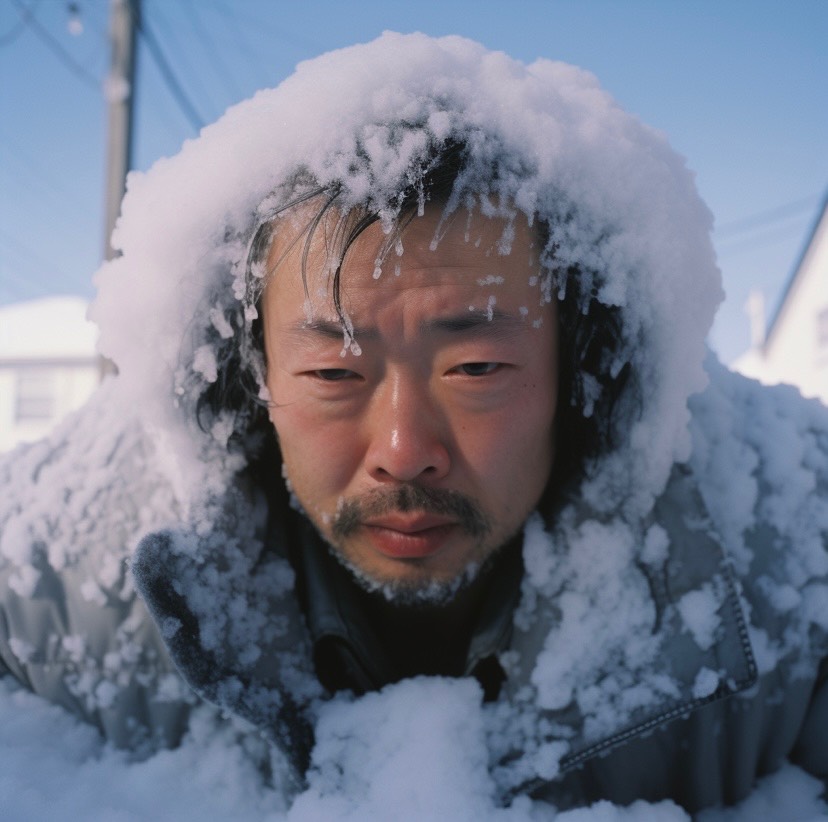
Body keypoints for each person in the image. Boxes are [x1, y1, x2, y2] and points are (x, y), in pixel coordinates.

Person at [0, 33, 825, 813]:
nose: (403, 453)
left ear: (582, 374)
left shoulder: (792, 561)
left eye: (475, 371)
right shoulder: (60, 570)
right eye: (333, 374)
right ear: (253, 379)